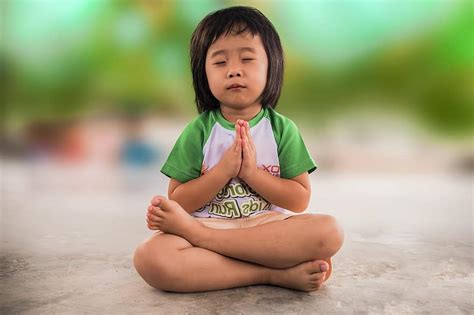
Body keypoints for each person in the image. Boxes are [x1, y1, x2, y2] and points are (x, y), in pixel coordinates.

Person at [133, 6, 344, 293]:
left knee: (329, 232)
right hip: (209, 224)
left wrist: (251, 173)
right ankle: (272, 274)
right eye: (220, 63)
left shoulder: (282, 129)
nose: (234, 70)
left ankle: (214, 248)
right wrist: (223, 172)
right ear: (203, 73)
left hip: (266, 229)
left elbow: (298, 200)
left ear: (272, 66)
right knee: (150, 259)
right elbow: (179, 201)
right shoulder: (198, 131)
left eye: (247, 59)